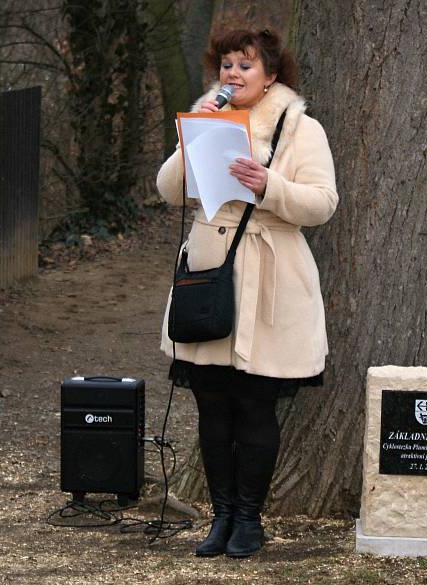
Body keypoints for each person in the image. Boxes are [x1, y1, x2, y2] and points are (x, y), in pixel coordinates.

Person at [157, 27, 338, 558]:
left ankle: (249, 520)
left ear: (271, 76)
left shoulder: (301, 129)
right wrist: (195, 138)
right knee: (212, 405)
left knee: (255, 407)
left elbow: (323, 204)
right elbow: (169, 190)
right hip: (210, 274)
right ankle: (221, 517)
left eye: (245, 66)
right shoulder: (208, 120)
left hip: (273, 275)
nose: (232, 75)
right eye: (226, 66)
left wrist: (268, 186)